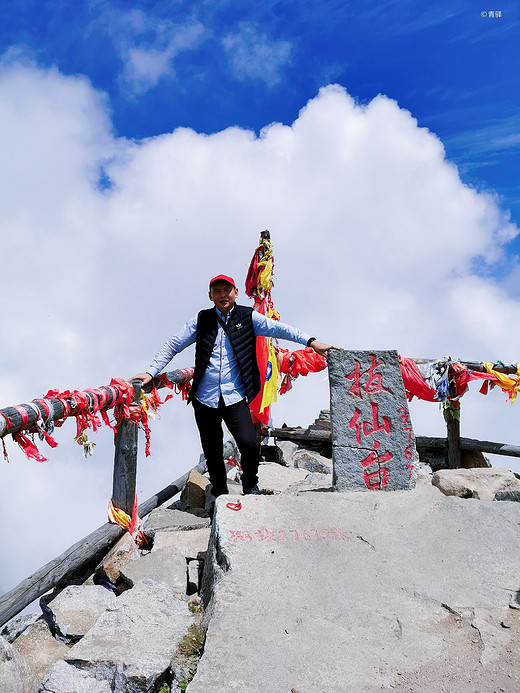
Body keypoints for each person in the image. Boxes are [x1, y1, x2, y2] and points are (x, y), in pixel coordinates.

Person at [133, 274, 338, 497]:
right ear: (210, 295)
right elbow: (173, 345)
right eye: (217, 291)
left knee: (249, 443)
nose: (223, 295)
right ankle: (220, 492)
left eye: (227, 290)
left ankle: (250, 485)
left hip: (235, 396)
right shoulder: (201, 320)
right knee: (212, 450)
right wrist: (151, 372)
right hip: (204, 397)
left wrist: (312, 342)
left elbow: (281, 329)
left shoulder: (249, 317)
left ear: (235, 292)